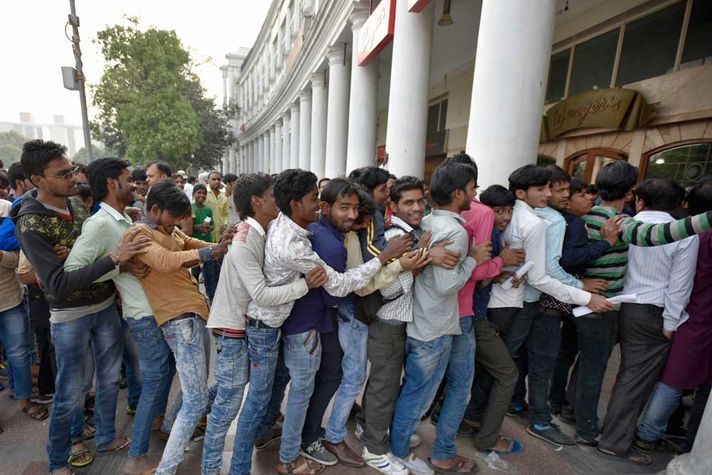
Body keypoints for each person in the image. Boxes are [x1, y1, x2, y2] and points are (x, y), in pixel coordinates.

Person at [239, 169, 404, 475]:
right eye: (314, 199)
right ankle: (288, 457)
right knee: (290, 393)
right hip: (294, 327)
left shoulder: (291, 227)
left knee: (279, 390)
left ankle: (276, 441)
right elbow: (339, 287)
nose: (318, 205)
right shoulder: (299, 244)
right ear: (294, 204)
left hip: (283, 323)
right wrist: (383, 259)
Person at [13, 140, 148, 475]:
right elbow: (57, 283)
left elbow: (87, 252)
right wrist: (112, 259)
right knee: (71, 391)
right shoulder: (31, 224)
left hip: (103, 305)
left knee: (106, 380)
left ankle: (105, 437)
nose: (73, 177)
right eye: (63, 174)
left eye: (72, 169)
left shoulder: (76, 202)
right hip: (69, 316)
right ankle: (58, 459)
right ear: (37, 180)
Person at [202, 172, 327, 475]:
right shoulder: (247, 238)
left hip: (243, 326)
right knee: (228, 408)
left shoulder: (259, 231)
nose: (279, 202)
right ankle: (215, 469)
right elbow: (259, 293)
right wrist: (304, 286)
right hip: (234, 327)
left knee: (238, 399)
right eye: (273, 195)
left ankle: (238, 467)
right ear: (257, 202)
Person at [63, 158, 174, 475]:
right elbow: (72, 272)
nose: (135, 183)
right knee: (153, 379)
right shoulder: (99, 224)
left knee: (163, 373)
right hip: (142, 315)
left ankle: (153, 426)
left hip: (155, 310)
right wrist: (118, 264)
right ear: (112, 183)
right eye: (128, 179)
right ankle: (137, 456)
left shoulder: (123, 218)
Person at [296, 179, 415, 468]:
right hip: (344, 312)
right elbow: (354, 286)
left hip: (341, 314)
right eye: (345, 208)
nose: (353, 216)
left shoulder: (341, 232)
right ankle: (326, 437)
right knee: (348, 378)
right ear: (326, 206)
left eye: (356, 210)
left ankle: (316, 435)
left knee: (339, 378)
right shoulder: (336, 240)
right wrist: (395, 262)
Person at [389, 161, 491, 475]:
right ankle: (398, 451)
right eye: (473, 188)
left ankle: (401, 442)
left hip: (422, 319)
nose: (475, 194)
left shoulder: (431, 223)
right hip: (433, 325)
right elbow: (448, 284)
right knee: (420, 394)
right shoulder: (456, 232)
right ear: (459, 192)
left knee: (416, 390)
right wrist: (473, 261)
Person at [322, 185, 430, 470]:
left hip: (377, 316)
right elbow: (366, 286)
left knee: (374, 381)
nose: (355, 216)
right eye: (408, 202)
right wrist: (408, 264)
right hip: (378, 317)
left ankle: (367, 429)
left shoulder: (374, 234)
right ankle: (372, 447)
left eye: (421, 201)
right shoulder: (382, 237)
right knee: (365, 380)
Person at [129, 181, 231, 475]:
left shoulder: (168, 230)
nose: (179, 223)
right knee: (197, 399)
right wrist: (211, 253)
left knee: (194, 394)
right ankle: (166, 468)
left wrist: (224, 243)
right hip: (179, 320)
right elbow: (164, 261)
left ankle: (172, 430)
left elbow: (203, 247)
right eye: (174, 217)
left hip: (193, 315)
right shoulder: (140, 233)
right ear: (157, 210)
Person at [597, 179, 699, 465]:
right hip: (652, 312)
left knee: (625, 375)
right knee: (635, 380)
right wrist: (671, 322)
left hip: (619, 304)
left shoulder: (624, 224)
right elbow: (680, 285)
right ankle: (615, 442)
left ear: (639, 200)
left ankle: (604, 430)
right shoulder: (683, 234)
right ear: (678, 205)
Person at [635, 179, 712, 453]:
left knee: (672, 379)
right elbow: (680, 283)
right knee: (677, 382)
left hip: (683, 315)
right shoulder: (695, 236)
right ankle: (652, 433)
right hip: (695, 317)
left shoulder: (684, 231)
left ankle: (656, 432)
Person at [462, 184, 524, 454]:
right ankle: (487, 438)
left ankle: (468, 420)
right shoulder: (490, 235)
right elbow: (479, 277)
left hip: (470, 313)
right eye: (499, 211)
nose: (505, 217)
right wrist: (502, 260)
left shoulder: (477, 226)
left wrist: (497, 273)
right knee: (507, 374)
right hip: (474, 316)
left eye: (509, 211)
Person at [348, 167, 391, 261]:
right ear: (368, 193)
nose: (388, 193)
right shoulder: (372, 214)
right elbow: (372, 251)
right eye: (383, 189)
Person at [204, 170, 229, 302]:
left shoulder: (224, 196)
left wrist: (225, 224)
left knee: (218, 265)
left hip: (220, 235)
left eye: (218, 179)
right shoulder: (203, 194)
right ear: (208, 181)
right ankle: (210, 295)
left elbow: (226, 213)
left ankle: (219, 295)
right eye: (213, 179)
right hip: (207, 234)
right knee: (208, 266)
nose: (216, 182)